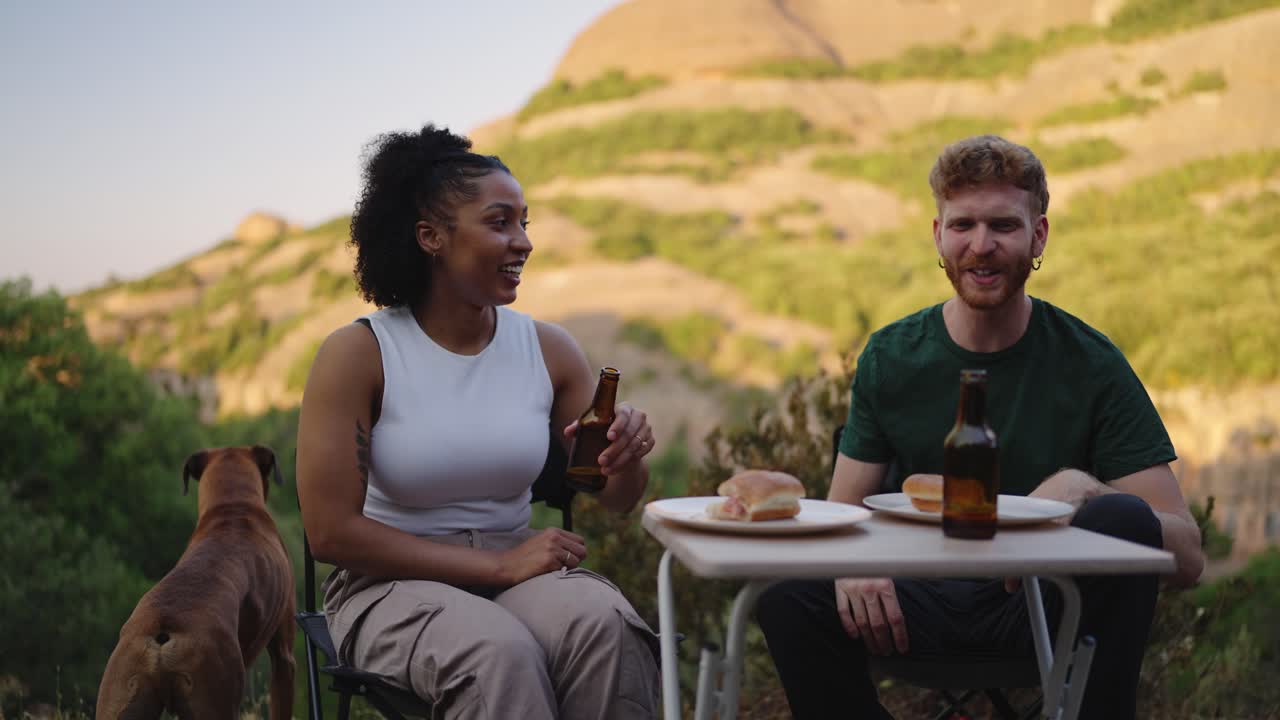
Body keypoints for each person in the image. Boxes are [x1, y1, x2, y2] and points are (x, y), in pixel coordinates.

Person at [756, 135, 1204, 720]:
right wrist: (852, 562)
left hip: (1043, 608)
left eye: (1003, 225)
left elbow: (1188, 556)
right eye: (962, 224)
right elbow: (842, 515)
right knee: (785, 590)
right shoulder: (892, 357)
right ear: (938, 235)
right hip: (912, 608)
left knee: (1119, 516)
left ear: (1038, 236)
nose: (981, 246)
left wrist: (1084, 492)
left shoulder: (1090, 363)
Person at [296, 124, 661, 719]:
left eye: (524, 222)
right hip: (387, 586)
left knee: (608, 625)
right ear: (431, 237)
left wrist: (627, 454)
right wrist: (496, 565)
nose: (523, 242)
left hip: (519, 577)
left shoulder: (549, 349)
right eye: (500, 223)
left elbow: (617, 497)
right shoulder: (359, 355)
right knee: (497, 655)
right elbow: (330, 534)